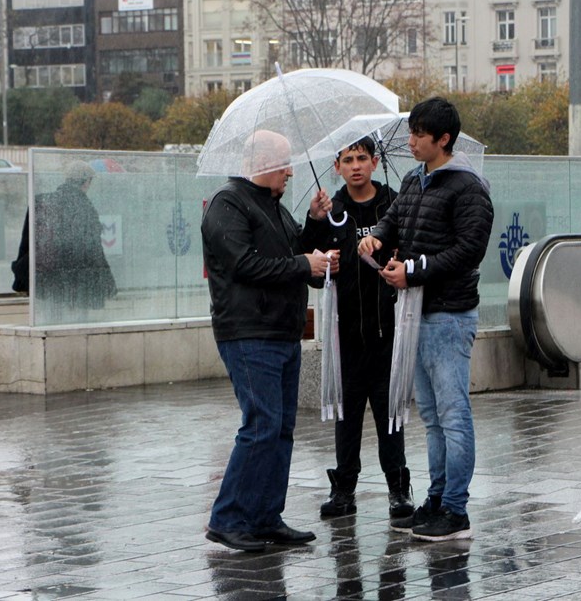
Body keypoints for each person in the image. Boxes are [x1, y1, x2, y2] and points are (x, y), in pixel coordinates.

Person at [358, 97, 493, 542]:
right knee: (433, 416)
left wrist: (414, 270)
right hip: (415, 313)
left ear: (444, 140)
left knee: (454, 414)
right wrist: (376, 241)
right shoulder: (415, 182)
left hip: (449, 315)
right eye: (411, 132)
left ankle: (456, 508)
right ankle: (436, 497)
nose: (412, 140)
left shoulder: (468, 187)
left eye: (419, 134)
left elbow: (469, 250)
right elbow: (392, 222)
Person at [201, 129, 336, 553]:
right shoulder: (229, 204)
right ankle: (227, 518)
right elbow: (244, 264)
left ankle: (264, 516)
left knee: (280, 428)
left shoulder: (273, 207)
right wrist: (303, 263)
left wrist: (313, 224)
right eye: (285, 164)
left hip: (282, 330)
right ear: (263, 164)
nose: (290, 173)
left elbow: (292, 250)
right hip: (248, 332)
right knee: (261, 424)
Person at [301, 136, 413, 520]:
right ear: (337, 166)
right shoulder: (332, 210)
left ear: (375, 161)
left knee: (390, 417)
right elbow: (310, 267)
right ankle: (343, 490)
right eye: (347, 159)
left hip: (387, 333)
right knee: (346, 420)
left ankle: (399, 490)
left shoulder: (394, 204)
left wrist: (401, 258)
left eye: (362, 158)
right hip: (345, 336)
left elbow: (412, 249)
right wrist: (323, 255)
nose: (355, 166)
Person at [34, 161, 117, 320]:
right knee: (77, 325)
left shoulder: (47, 201)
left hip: (48, 277)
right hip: (76, 279)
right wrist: (107, 280)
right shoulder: (84, 207)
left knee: (51, 321)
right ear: (85, 182)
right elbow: (92, 248)